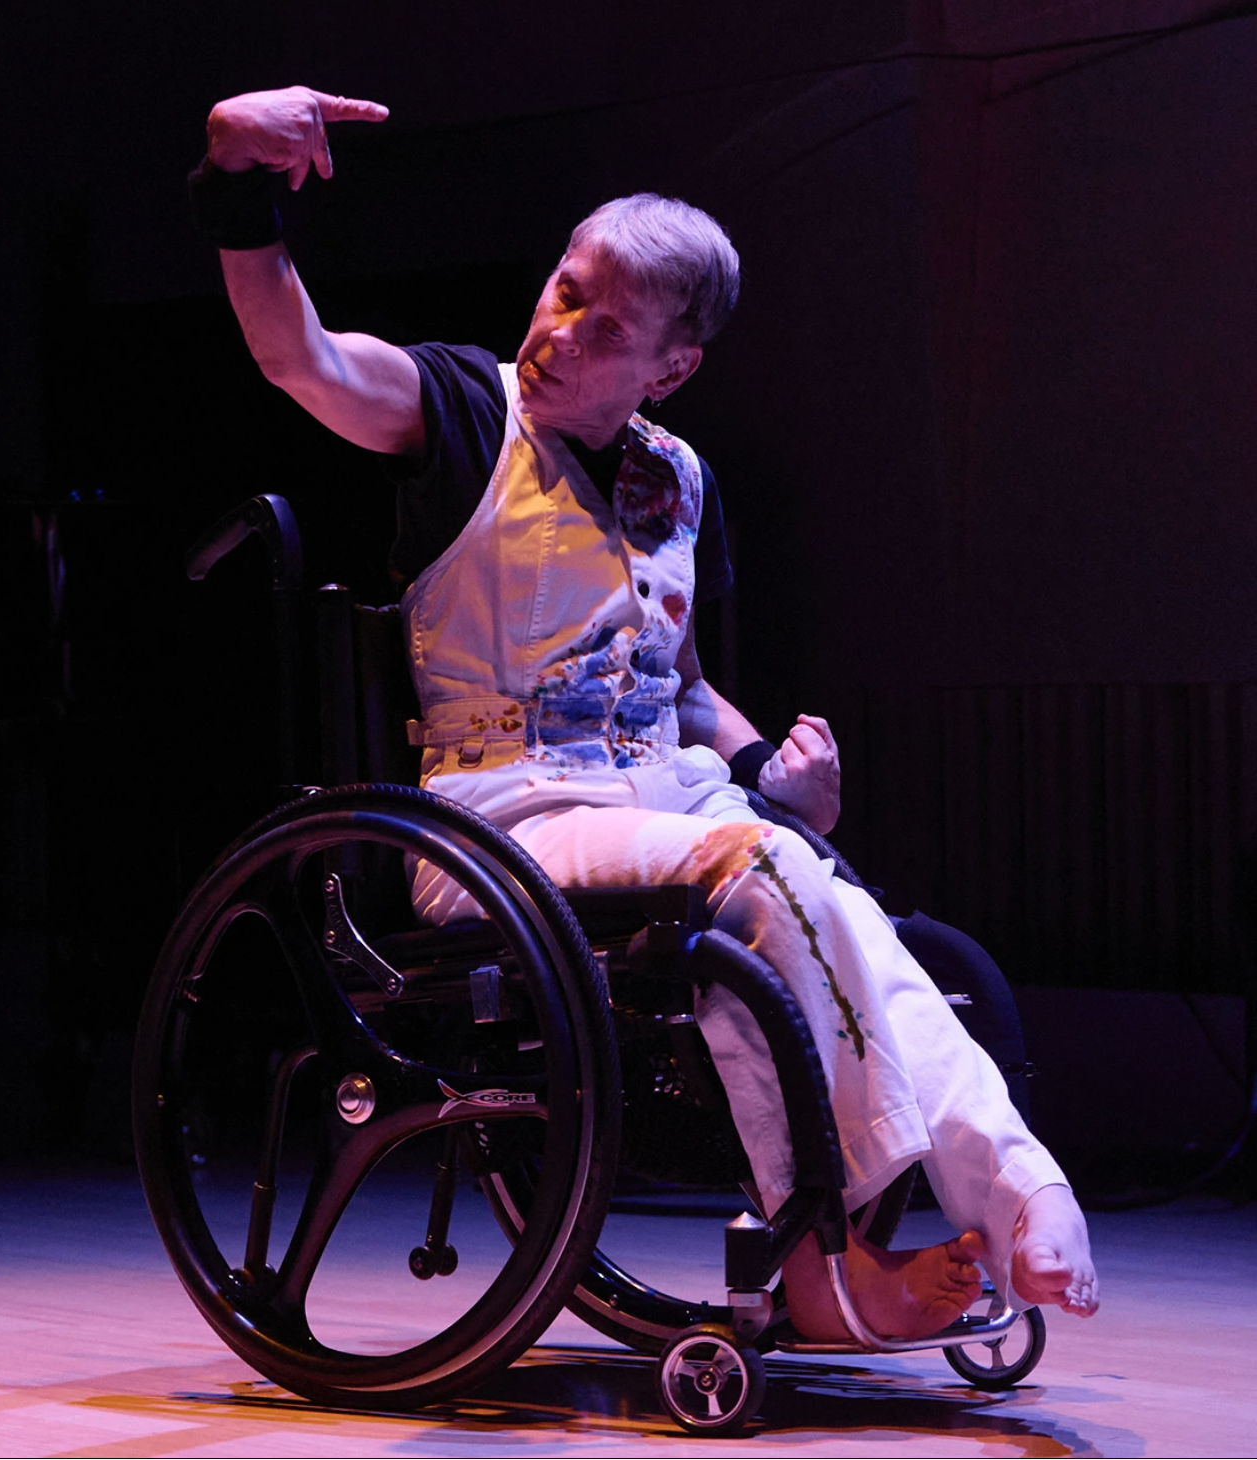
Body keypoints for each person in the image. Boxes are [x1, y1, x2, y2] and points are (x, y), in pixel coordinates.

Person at [192, 84, 1099, 1341]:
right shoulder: (460, 411)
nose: (559, 329)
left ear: (673, 363)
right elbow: (302, 356)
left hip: (662, 800)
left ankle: (986, 1197)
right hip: (499, 820)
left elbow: (671, 682)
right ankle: (839, 1261)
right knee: (757, 865)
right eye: (564, 288)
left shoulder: (679, 479)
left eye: (605, 323)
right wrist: (239, 175)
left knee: (821, 889)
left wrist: (769, 764)